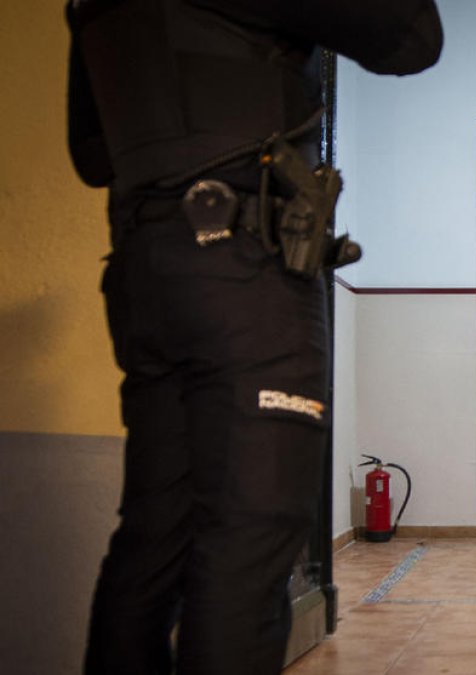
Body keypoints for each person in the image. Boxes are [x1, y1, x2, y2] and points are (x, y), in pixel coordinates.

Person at [65, 1, 442, 673]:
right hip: (243, 272)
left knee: (152, 547)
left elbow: (93, 153)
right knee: (247, 548)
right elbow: (411, 35)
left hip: (147, 271)